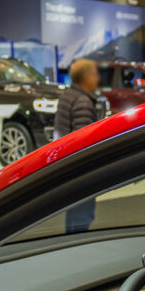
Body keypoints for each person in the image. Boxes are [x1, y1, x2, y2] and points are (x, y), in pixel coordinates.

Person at [54, 59, 104, 233]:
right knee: (82, 219)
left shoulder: (67, 96)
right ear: (87, 77)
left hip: (67, 168)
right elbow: (83, 144)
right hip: (80, 173)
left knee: (73, 218)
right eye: (95, 75)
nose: (98, 79)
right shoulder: (83, 101)